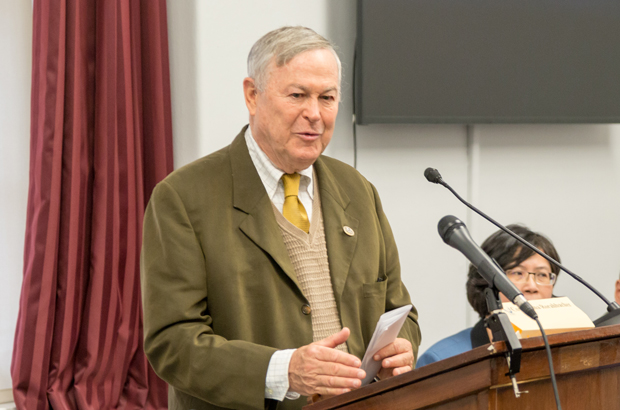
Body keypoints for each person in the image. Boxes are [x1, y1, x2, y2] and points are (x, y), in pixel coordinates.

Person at [140, 26, 421, 410]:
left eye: (327, 97)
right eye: (297, 95)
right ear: (252, 96)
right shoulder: (183, 198)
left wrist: (401, 349)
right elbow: (172, 343)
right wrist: (283, 371)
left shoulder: (358, 190)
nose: (314, 114)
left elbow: (398, 309)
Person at [416, 225, 560, 368]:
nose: (532, 287)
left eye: (542, 275)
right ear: (487, 283)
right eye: (518, 273)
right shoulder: (441, 360)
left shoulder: (568, 351)